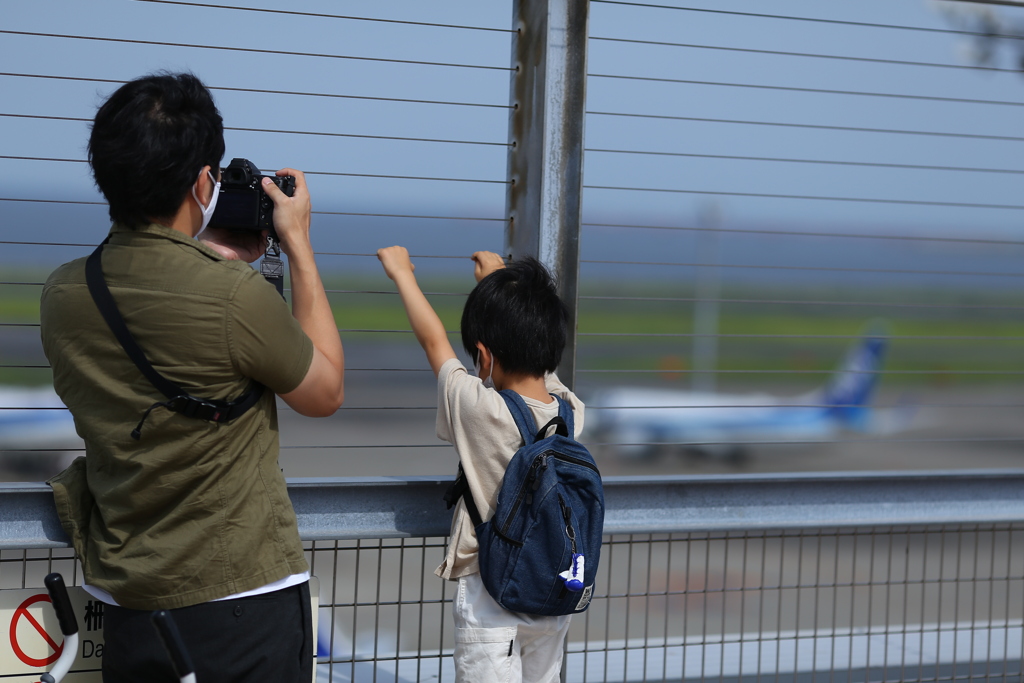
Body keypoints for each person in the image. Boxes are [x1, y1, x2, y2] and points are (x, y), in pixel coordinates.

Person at [39, 72, 344, 682]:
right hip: (240, 602)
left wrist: (207, 254)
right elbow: (324, 391)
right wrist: (299, 245)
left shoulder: (63, 293)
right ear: (205, 180)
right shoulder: (232, 296)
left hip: (129, 600)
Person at [376, 245, 584, 683]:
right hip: (551, 594)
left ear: (484, 357)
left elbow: (435, 343)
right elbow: (541, 368)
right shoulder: (569, 411)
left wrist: (401, 274)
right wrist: (500, 281)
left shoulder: (479, 409)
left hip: (492, 596)